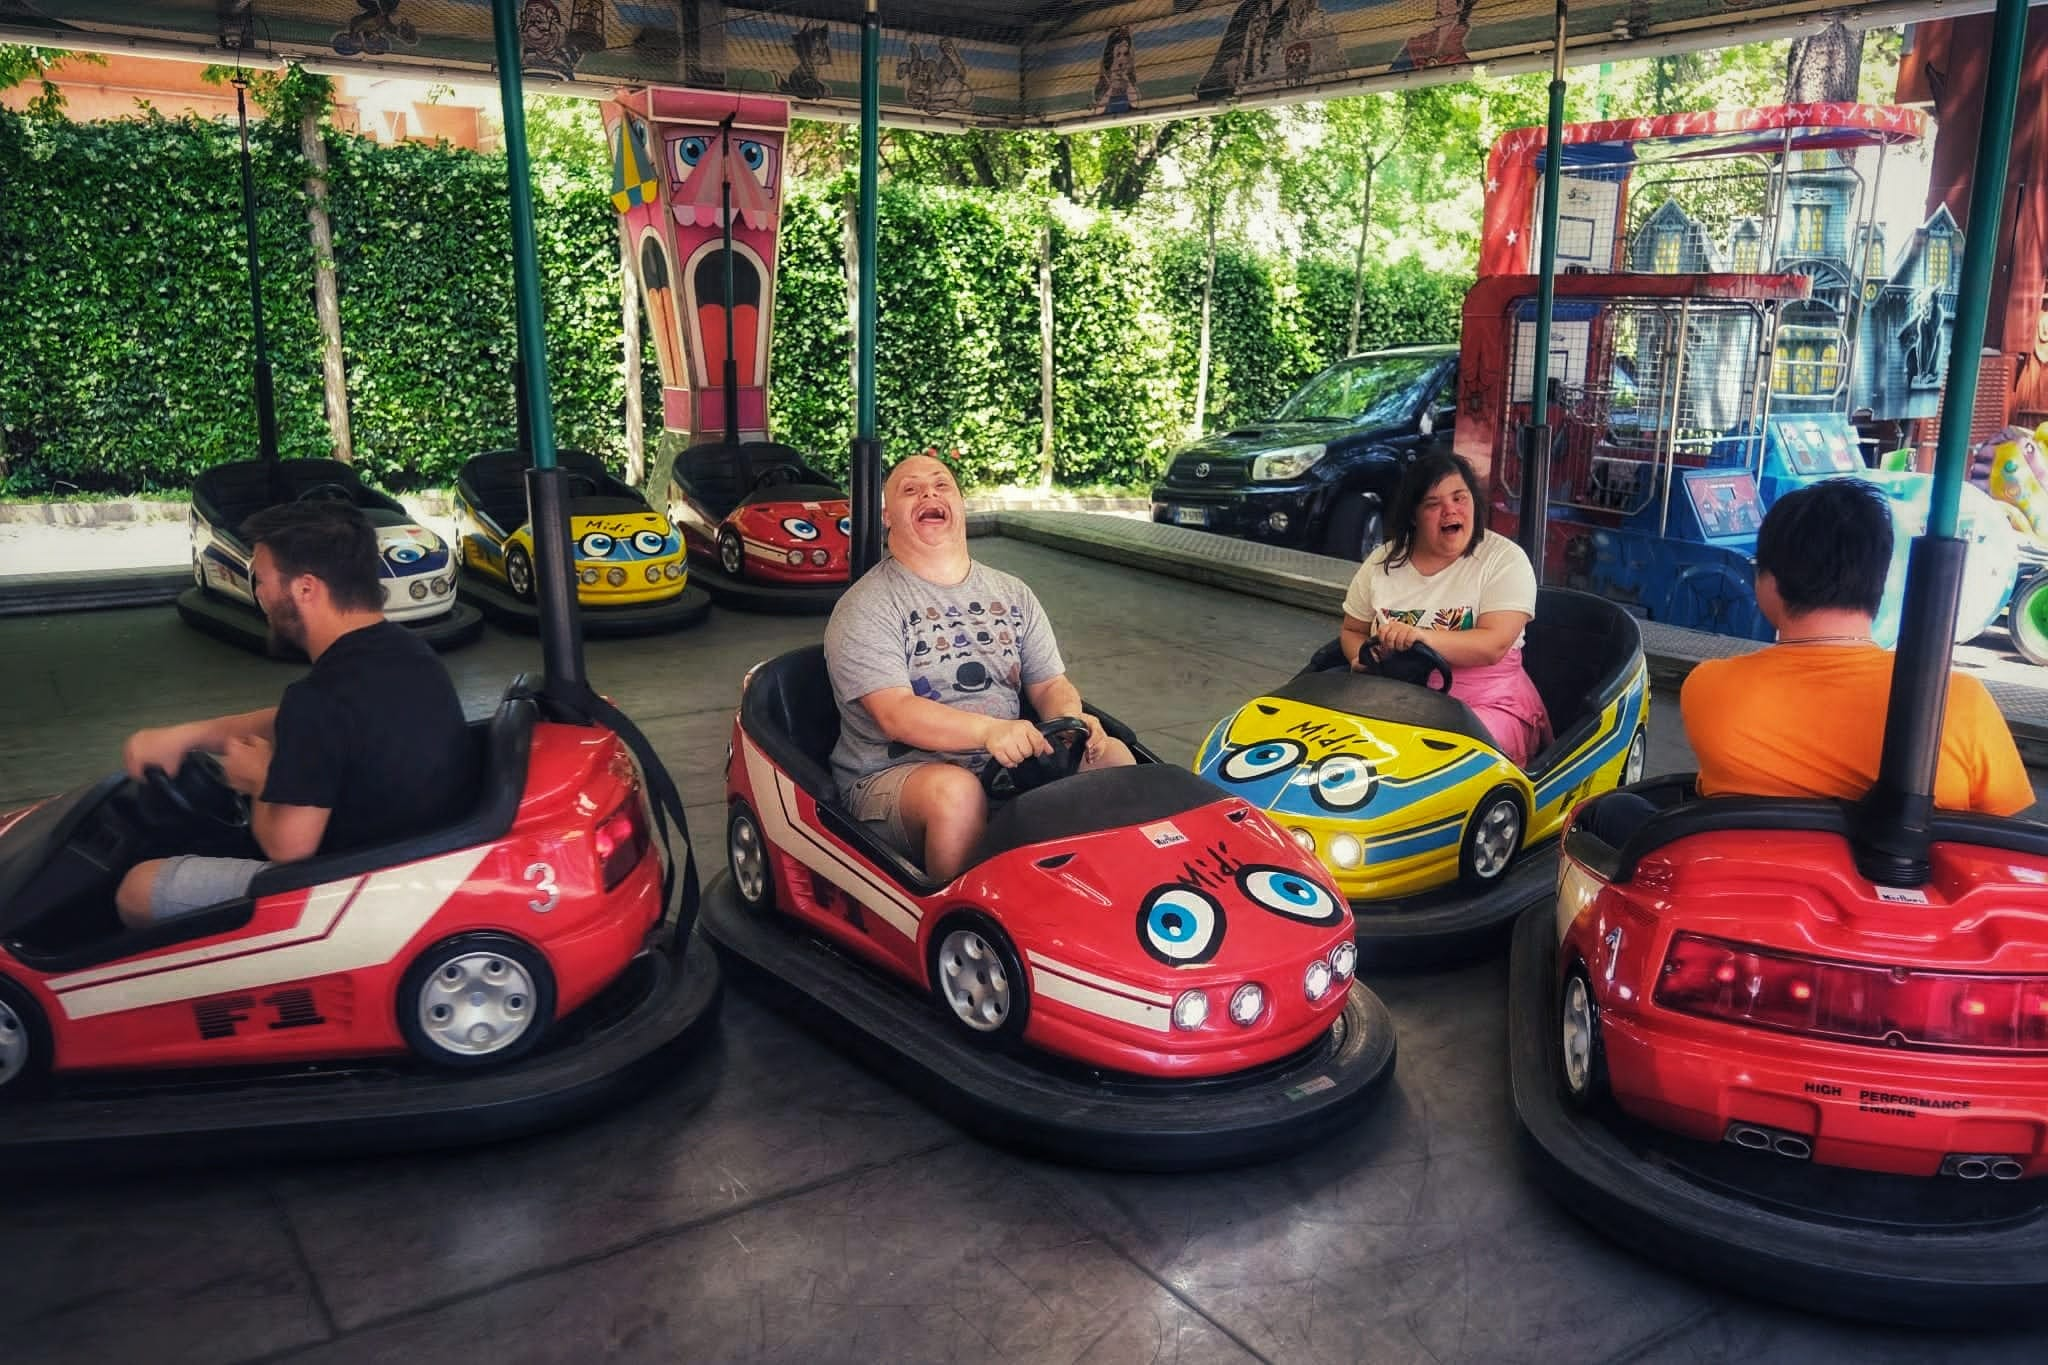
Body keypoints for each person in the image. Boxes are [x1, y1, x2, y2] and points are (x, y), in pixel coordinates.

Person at [115, 502, 478, 926]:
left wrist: (260, 781)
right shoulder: (405, 653)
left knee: (138, 889)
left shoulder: (320, 700)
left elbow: (288, 848)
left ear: (306, 589)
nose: (260, 595)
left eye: (262, 580)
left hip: (352, 886)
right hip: (415, 855)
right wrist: (187, 736)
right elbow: (298, 720)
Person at [825, 453, 1134, 881]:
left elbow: (1048, 683)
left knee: (1114, 759)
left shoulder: (1013, 593)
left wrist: (1068, 719)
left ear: (960, 502)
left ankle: (1119, 894)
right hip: (890, 779)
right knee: (957, 792)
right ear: (886, 516)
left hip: (1007, 765)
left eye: (941, 485)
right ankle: (965, 930)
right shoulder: (867, 605)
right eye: (910, 489)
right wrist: (989, 732)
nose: (928, 493)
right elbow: (894, 713)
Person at [1679, 476, 2030, 814]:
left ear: (1769, 583)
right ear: (1879, 580)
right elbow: (2000, 835)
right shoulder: (1957, 700)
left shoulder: (1709, 687)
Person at [1337, 452, 1553, 766]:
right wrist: (1360, 657)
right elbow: (1352, 629)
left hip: (1485, 704)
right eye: (1433, 503)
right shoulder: (1382, 562)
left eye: (1459, 498)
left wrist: (1418, 637)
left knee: (1442, 760)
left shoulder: (1504, 559)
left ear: (1474, 504)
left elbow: (1492, 645)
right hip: (1390, 695)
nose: (1450, 510)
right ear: (1414, 515)